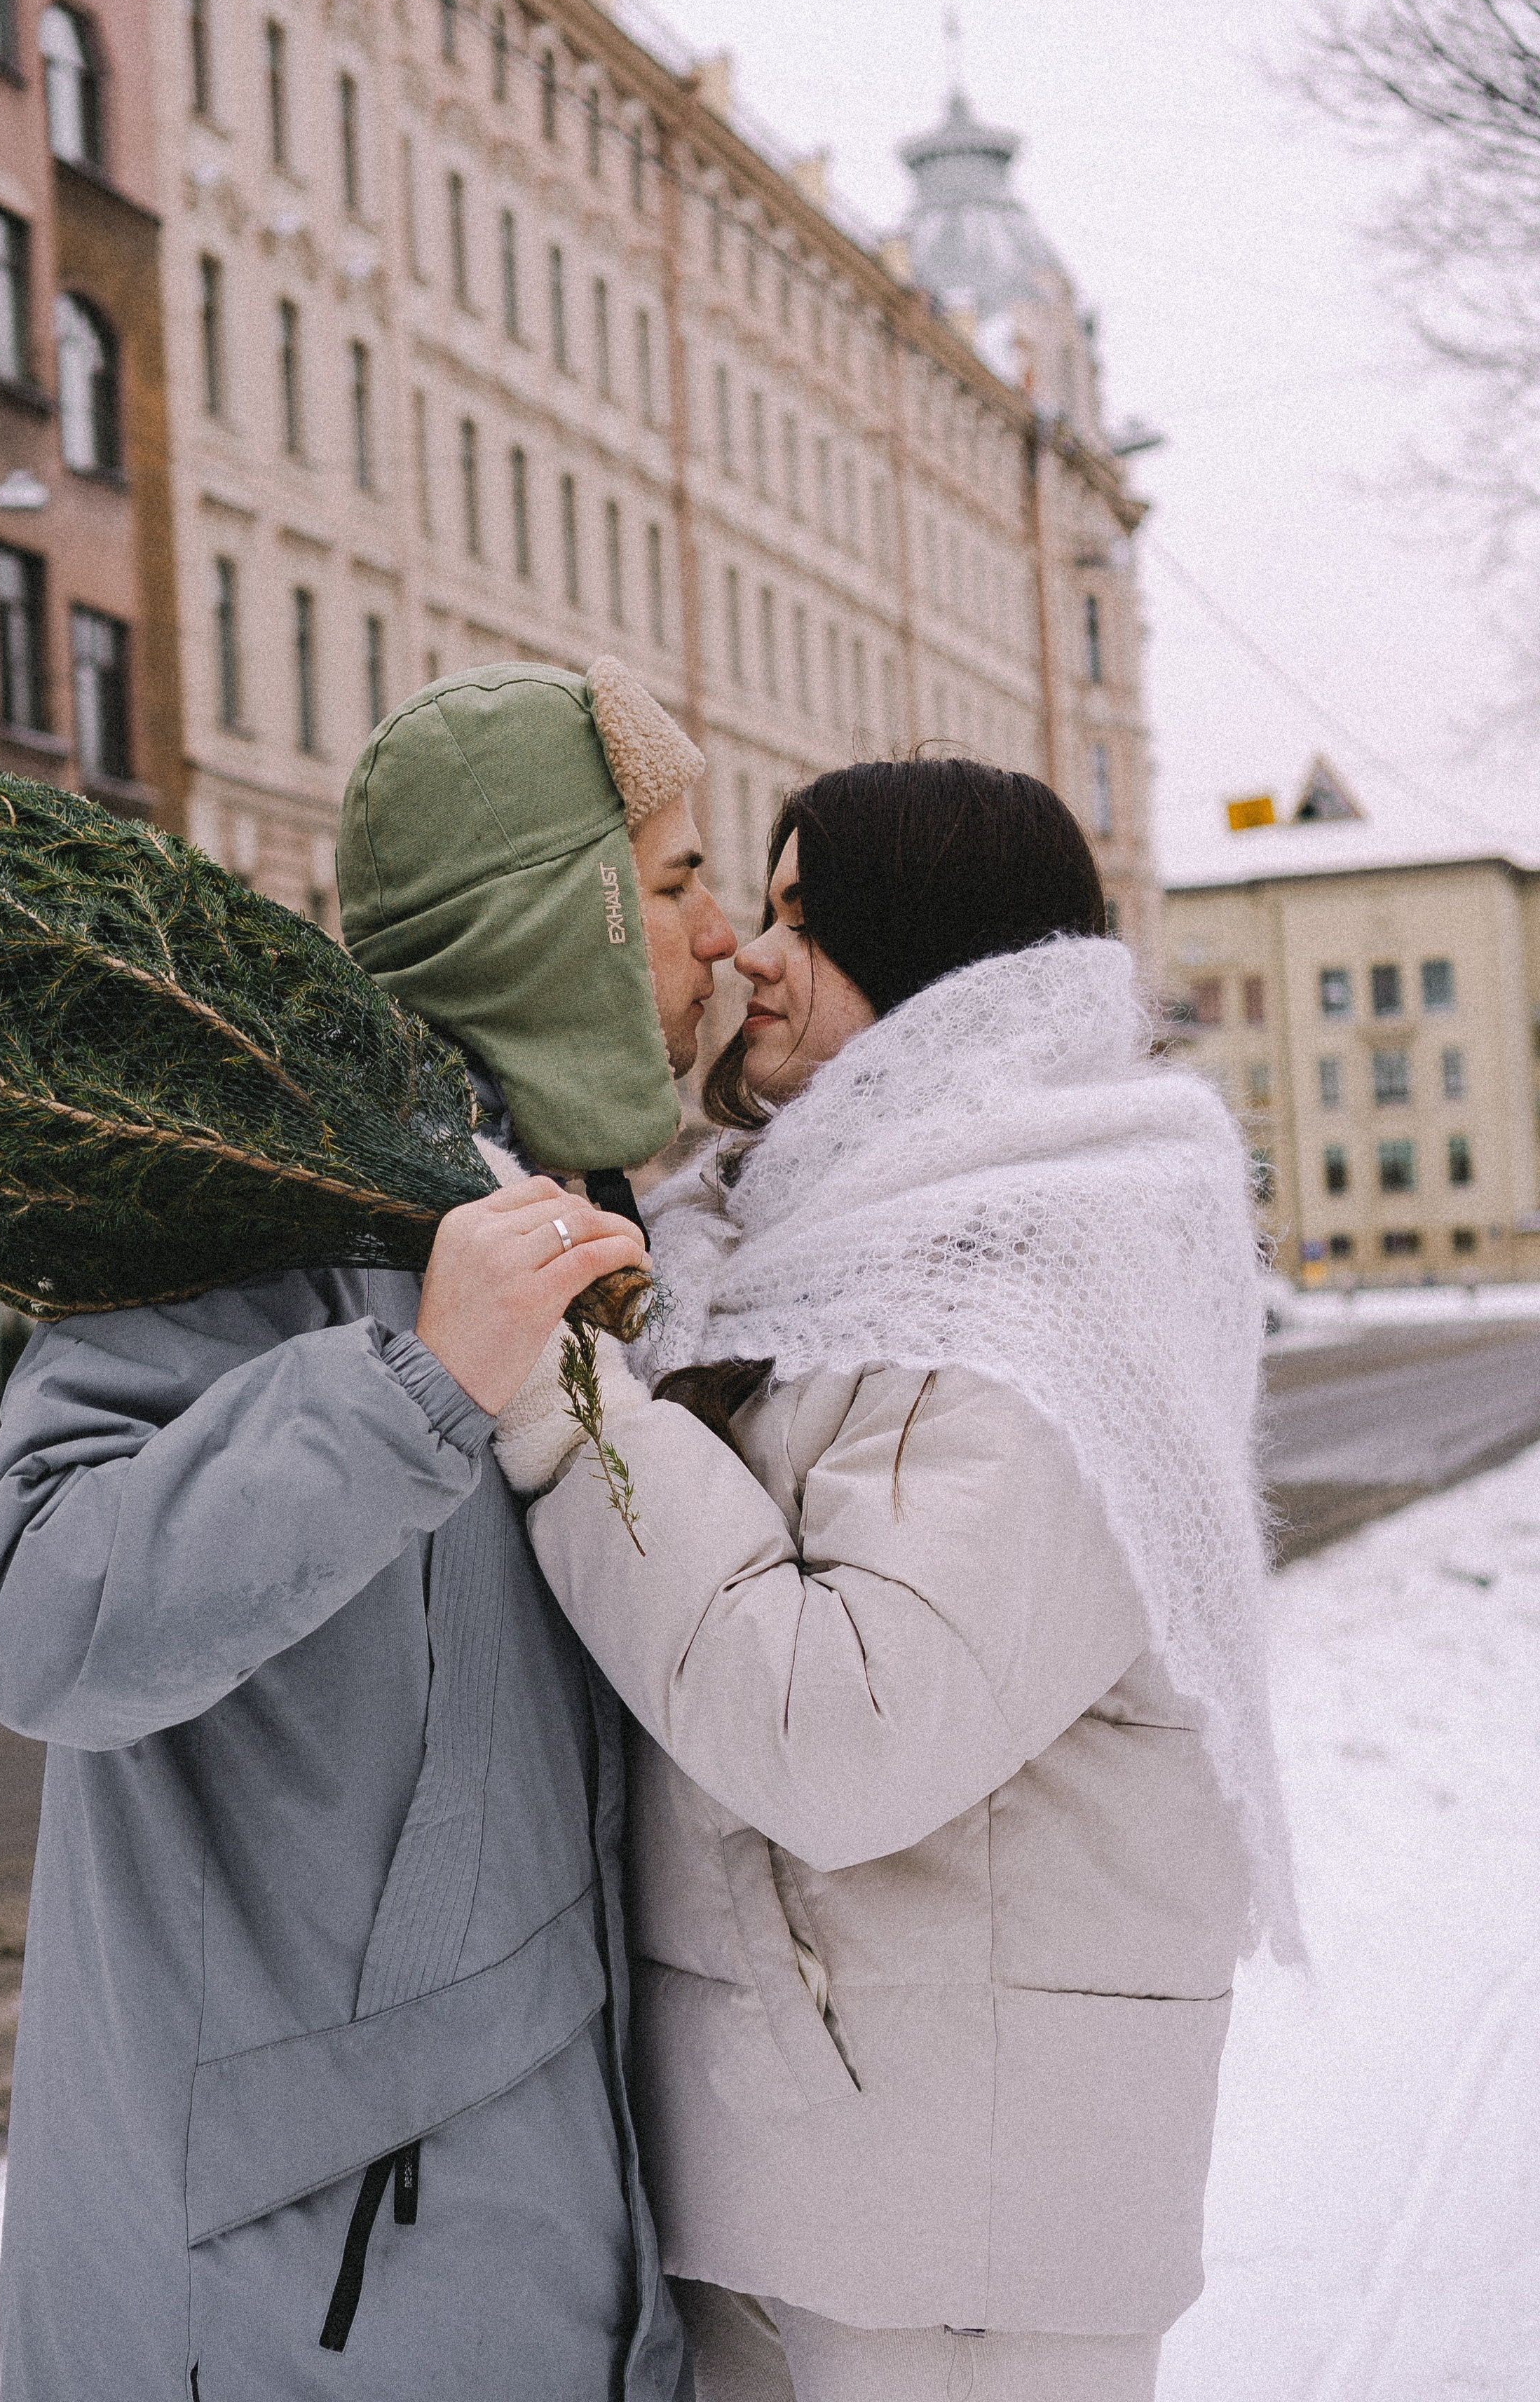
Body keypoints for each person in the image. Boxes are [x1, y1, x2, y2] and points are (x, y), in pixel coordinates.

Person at [0, 658, 729, 2402]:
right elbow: (34, 1616)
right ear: (559, 925)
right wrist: (411, 1387)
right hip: (290, 2291)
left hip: (507, 2252)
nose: (728, 940)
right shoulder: (247, 1210)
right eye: (677, 885)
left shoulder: (569, 1228)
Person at [499, 758, 1301, 2402]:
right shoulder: (798, 1242)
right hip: (804, 2164)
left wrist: (557, 1400)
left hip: (964, 2229)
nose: (745, 955)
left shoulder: (1053, 1275)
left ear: (933, 963)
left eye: (807, 917)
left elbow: (848, 1732)